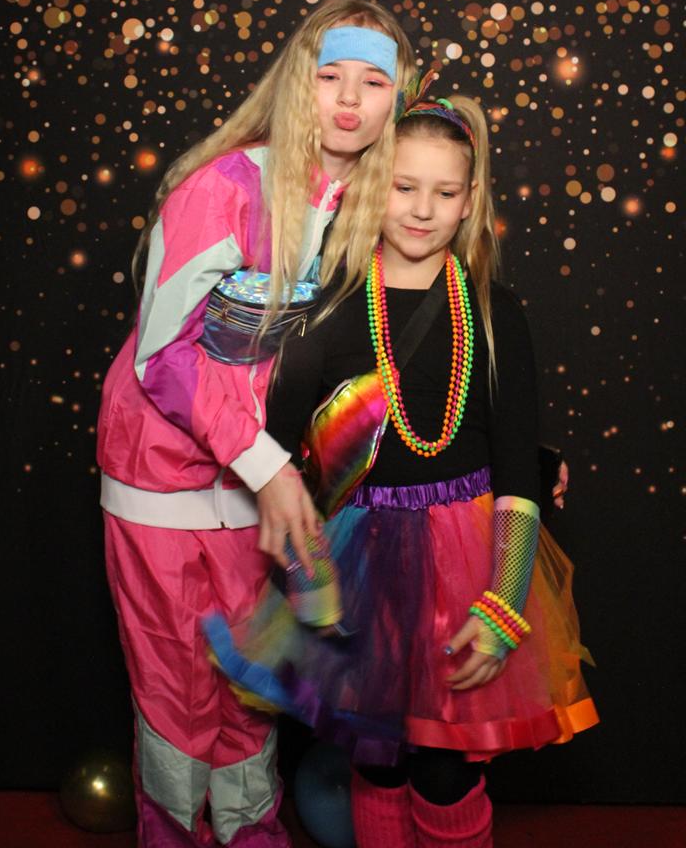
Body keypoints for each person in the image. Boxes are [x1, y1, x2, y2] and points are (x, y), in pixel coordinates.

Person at [204, 79, 598, 848]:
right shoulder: (327, 309)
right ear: (370, 186)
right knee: (377, 764)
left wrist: (506, 603)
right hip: (361, 570)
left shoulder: (496, 312)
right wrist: (310, 578)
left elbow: (516, 474)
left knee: (445, 770)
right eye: (403, 186)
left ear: (470, 200)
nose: (422, 209)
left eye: (444, 192)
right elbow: (286, 461)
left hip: (468, 571)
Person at [96, 0, 417, 848]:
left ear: (398, 97)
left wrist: (520, 455)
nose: (348, 99)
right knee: (173, 688)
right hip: (163, 477)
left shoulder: (367, 205)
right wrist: (268, 465)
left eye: (373, 81)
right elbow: (163, 357)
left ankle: (251, 835)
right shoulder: (223, 187)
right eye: (330, 75)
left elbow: (398, 349)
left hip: (258, 482)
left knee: (248, 685)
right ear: (295, 84)